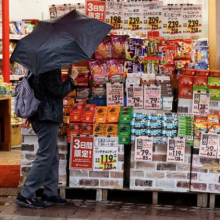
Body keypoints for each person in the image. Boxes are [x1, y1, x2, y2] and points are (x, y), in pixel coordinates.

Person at [15, 65, 78, 209]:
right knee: (46, 155)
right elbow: (58, 91)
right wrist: (71, 79)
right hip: (46, 116)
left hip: (40, 115)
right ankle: (26, 194)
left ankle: (50, 193)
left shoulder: (37, 66)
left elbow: (39, 90)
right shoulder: (50, 67)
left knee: (52, 154)